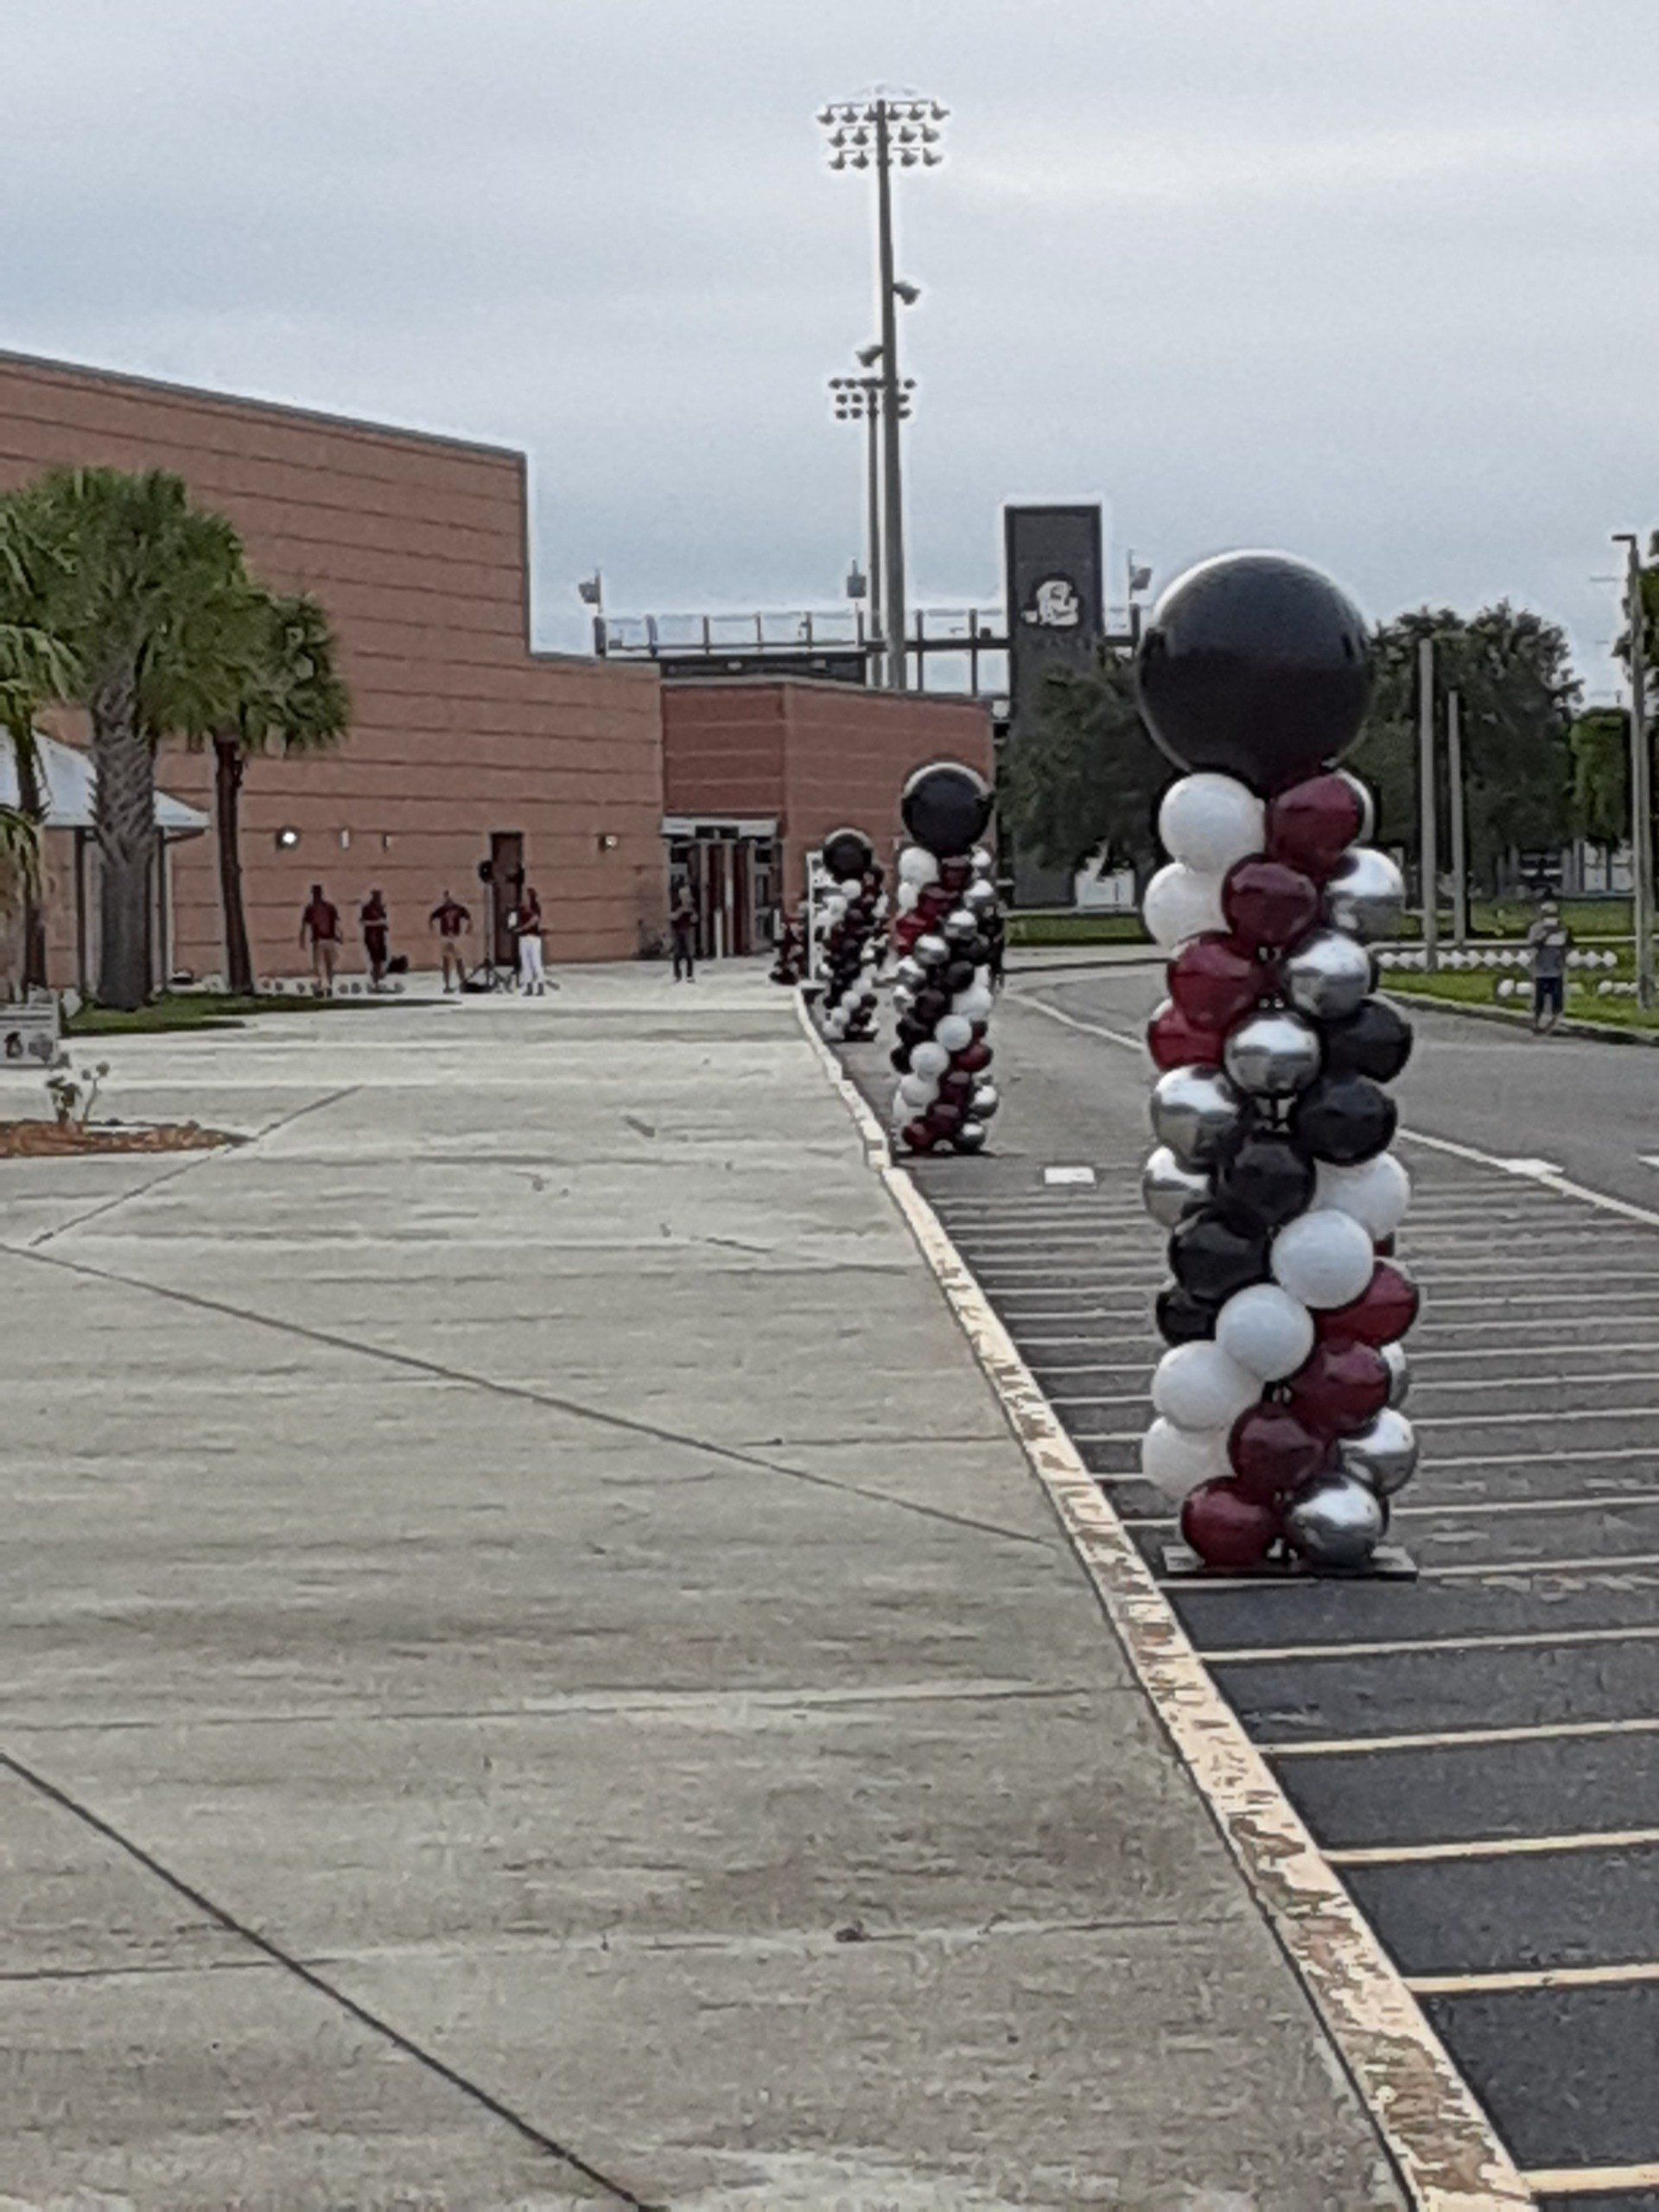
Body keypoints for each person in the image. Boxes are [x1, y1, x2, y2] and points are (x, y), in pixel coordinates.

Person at [1527, 899, 1571, 1034]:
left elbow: (1567, 945)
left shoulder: (1562, 928)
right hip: (1541, 969)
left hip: (1556, 969)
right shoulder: (1536, 928)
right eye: (1548, 914)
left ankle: (1555, 1022)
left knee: (1557, 998)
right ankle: (1536, 1021)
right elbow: (1534, 944)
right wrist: (1546, 934)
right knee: (1539, 998)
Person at [300, 883, 340, 995]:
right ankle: (326, 985)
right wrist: (340, 935)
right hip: (327, 939)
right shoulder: (328, 907)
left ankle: (325, 985)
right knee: (327, 964)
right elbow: (337, 923)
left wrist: (302, 939)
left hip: (320, 940)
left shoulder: (312, 908)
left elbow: (304, 926)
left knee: (322, 964)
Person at [429, 889, 472, 993]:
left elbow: (468, 917)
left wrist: (469, 928)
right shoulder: (442, 910)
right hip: (445, 937)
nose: (448, 900)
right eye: (446, 898)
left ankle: (462, 982)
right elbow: (432, 917)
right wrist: (432, 927)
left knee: (459, 959)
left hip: (455, 937)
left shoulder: (459, 909)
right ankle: (447, 984)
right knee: (446, 960)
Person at [510, 880, 546, 995]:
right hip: (523, 938)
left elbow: (535, 920)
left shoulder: (535, 907)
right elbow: (514, 920)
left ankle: (540, 986)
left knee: (536, 961)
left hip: (533, 937)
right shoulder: (520, 909)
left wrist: (522, 928)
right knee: (525, 963)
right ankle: (529, 986)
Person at [360, 887, 390, 988]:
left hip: (381, 937)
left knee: (381, 959)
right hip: (371, 937)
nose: (379, 898)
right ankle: (375, 981)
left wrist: (384, 924)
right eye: (377, 896)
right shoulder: (367, 908)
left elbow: (384, 920)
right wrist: (377, 923)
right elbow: (363, 922)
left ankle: (377, 979)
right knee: (375, 959)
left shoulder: (381, 907)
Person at [669, 886, 698, 982]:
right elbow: (671, 917)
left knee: (689, 954)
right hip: (677, 931)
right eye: (683, 895)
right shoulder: (676, 905)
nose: (685, 897)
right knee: (677, 954)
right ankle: (677, 975)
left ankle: (689, 975)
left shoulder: (691, 906)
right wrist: (680, 911)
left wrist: (692, 914)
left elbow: (695, 919)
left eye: (687, 895)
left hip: (687, 931)